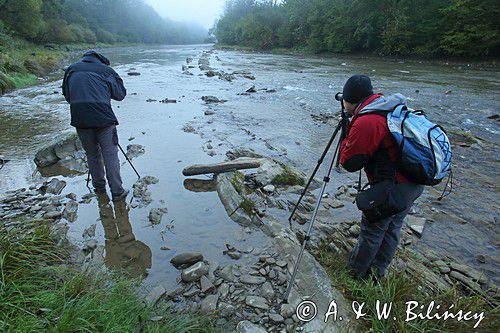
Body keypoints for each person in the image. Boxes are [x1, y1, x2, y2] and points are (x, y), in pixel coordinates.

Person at [338, 75, 424, 279]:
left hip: (393, 187)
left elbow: (349, 163)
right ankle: (378, 273)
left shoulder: (367, 121)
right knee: (393, 228)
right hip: (413, 181)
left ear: (350, 100)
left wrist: (346, 133)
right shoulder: (387, 106)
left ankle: (355, 277)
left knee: (372, 232)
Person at [62, 50, 128, 201]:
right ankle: (117, 192)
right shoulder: (106, 70)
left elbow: (67, 95)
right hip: (103, 118)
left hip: (80, 118)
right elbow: (120, 95)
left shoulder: (71, 69)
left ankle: (99, 188)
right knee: (110, 154)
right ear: (101, 60)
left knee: (92, 154)